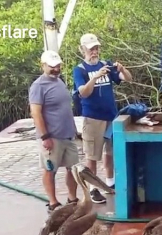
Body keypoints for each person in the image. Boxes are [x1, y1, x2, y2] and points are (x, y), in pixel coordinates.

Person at [73, 33, 132, 204]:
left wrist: (122, 69)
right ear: (82, 49)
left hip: (111, 116)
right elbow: (83, 92)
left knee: (110, 152)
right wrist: (96, 77)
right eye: (91, 49)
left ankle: (110, 181)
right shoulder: (80, 70)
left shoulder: (106, 64)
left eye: (96, 48)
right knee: (92, 155)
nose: (94, 52)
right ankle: (93, 188)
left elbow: (127, 79)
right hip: (92, 118)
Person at [29, 51, 80, 213]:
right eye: (52, 67)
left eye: (58, 66)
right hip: (52, 137)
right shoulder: (38, 86)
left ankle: (72, 198)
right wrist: (45, 136)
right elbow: (35, 113)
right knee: (50, 169)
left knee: (73, 168)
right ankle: (53, 202)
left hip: (68, 134)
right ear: (43, 65)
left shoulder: (59, 81)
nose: (56, 69)